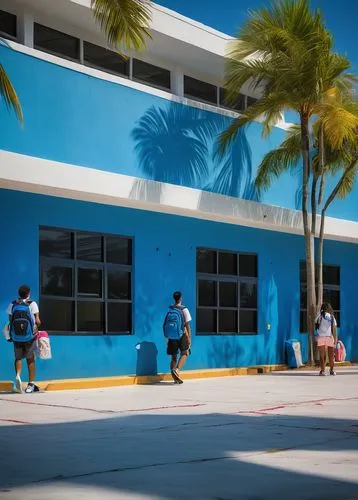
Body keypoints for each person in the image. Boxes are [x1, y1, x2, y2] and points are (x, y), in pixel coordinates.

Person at [7, 285, 41, 393]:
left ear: (19, 293)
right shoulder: (32, 304)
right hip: (29, 337)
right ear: (28, 293)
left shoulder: (13, 304)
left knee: (18, 358)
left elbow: (10, 320)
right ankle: (30, 385)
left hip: (16, 336)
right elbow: (38, 321)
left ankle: (18, 376)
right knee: (30, 359)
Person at [163, 291, 192, 384]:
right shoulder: (184, 309)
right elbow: (187, 325)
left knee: (173, 357)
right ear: (180, 298)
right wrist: (189, 339)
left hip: (171, 336)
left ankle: (174, 374)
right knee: (185, 352)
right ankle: (177, 370)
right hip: (182, 334)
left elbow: (165, 323)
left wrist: (167, 337)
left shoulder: (170, 309)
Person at [315, 302, 337, 376]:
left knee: (322, 356)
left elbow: (316, 324)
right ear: (329, 308)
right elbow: (334, 329)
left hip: (321, 337)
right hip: (329, 337)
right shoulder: (332, 316)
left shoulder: (319, 316)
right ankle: (331, 370)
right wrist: (335, 339)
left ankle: (323, 371)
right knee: (331, 355)